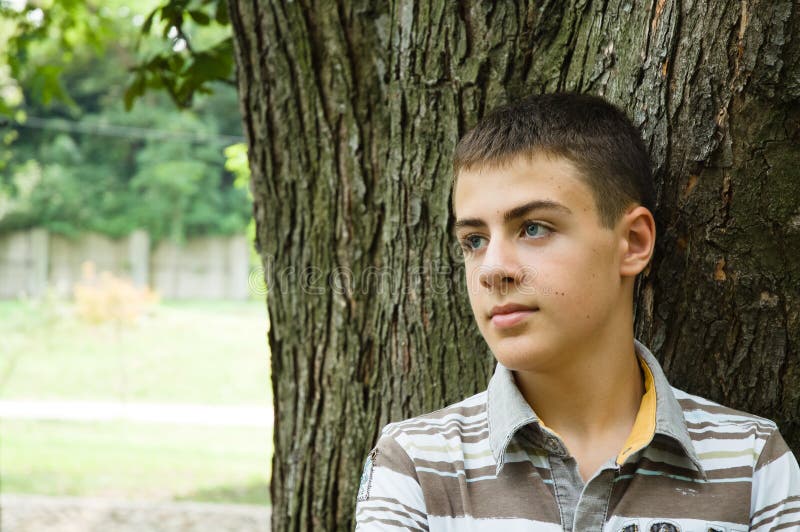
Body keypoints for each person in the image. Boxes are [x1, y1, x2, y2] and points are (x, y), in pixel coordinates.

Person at [354, 93, 800, 531]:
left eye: (533, 228)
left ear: (633, 243)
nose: (491, 270)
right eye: (474, 240)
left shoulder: (753, 465)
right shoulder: (416, 465)